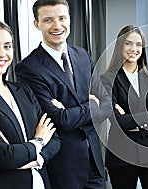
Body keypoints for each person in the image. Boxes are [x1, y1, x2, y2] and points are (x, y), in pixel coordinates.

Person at [15, 0, 111, 188]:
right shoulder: (28, 68)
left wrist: (71, 111)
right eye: (48, 20)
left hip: (95, 163)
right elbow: (59, 120)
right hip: (63, 167)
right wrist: (91, 105)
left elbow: (107, 104)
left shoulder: (83, 55)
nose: (57, 26)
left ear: (69, 19)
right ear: (37, 24)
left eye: (62, 18)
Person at [0, 19, 60, 189]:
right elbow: (4, 156)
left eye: (7, 46)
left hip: (39, 181)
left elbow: (54, 138)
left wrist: (36, 159)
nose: (2, 53)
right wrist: (38, 141)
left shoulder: (23, 90)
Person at [99, 25, 148, 189]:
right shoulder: (107, 79)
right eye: (128, 44)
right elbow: (119, 121)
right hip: (122, 154)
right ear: (120, 46)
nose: (133, 49)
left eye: (138, 45)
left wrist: (135, 123)